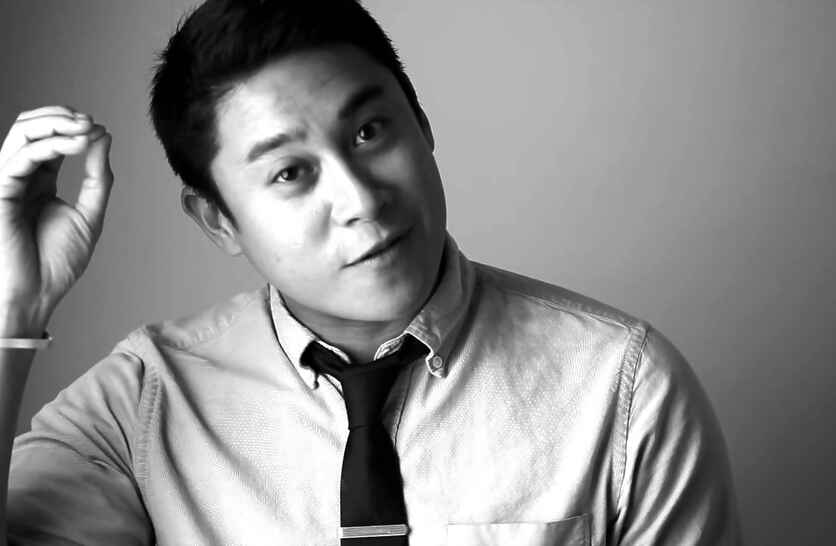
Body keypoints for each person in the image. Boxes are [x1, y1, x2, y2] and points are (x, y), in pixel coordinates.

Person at [0, 0, 741, 544]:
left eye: (369, 131)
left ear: (423, 125)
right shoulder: (139, 405)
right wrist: (11, 310)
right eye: (290, 172)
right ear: (217, 219)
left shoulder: (624, 387)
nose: (360, 199)